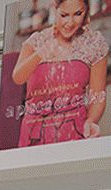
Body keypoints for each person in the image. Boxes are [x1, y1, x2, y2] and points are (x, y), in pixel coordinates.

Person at [12, 0, 109, 145]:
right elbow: (18, 78)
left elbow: (98, 96)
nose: (70, 22)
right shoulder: (37, 41)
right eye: (64, 15)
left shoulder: (94, 44)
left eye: (78, 14)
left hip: (75, 131)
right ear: (54, 9)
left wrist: (91, 121)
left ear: (86, 10)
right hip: (34, 133)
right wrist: (40, 54)